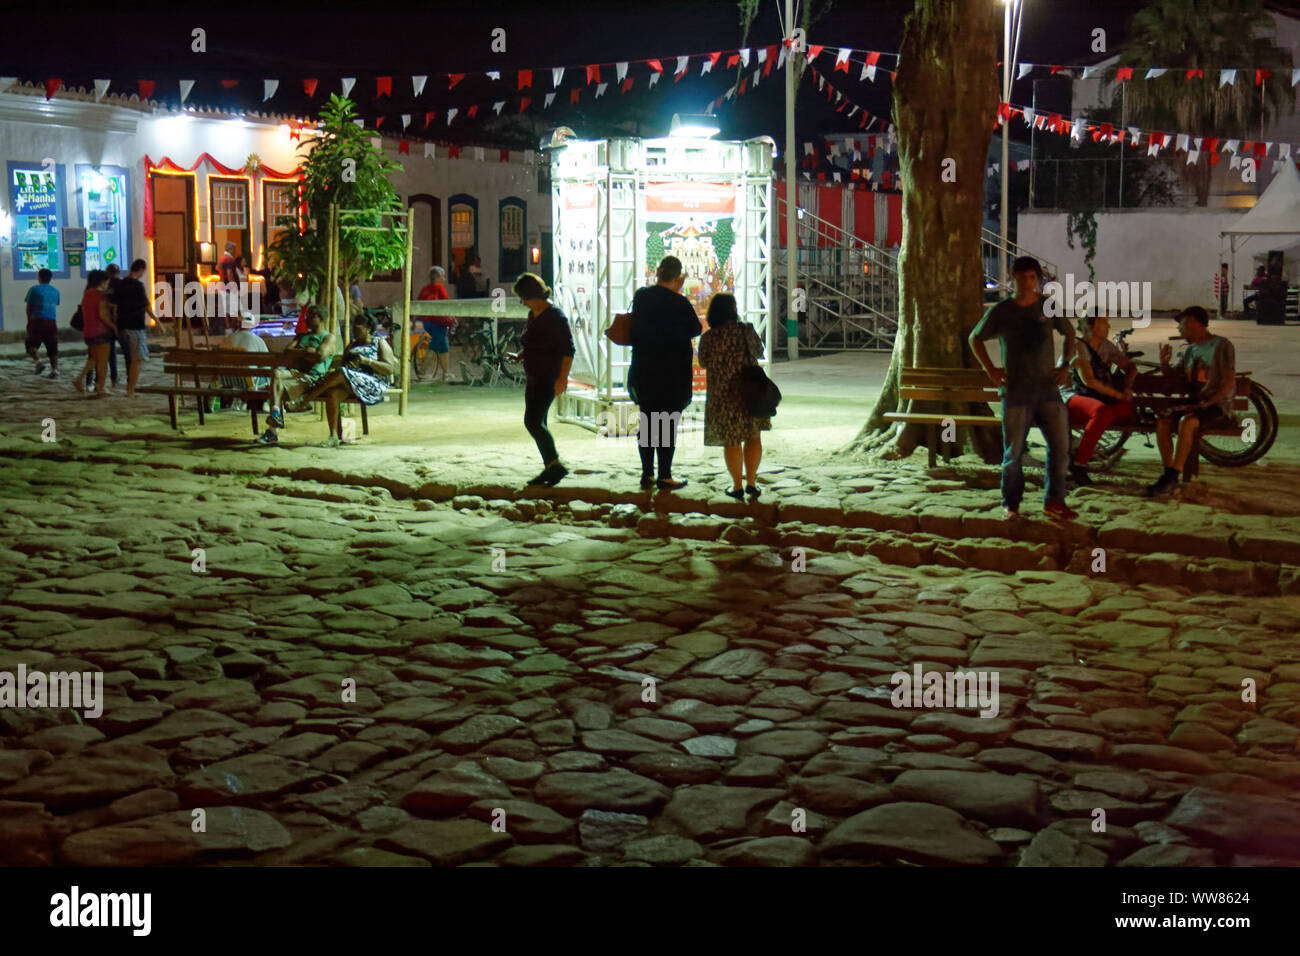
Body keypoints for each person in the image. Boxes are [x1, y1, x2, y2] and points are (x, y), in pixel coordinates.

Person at [970, 256, 1078, 521]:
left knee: (1060, 448)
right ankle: (1011, 502)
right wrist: (991, 370)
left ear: (1037, 279)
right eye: (1021, 279)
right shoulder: (1002, 311)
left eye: (1031, 278)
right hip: (1016, 392)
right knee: (1013, 453)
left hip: (1048, 390)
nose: (1027, 284)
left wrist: (1064, 365)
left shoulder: (1048, 306)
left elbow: (1070, 333)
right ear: (1012, 279)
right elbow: (976, 338)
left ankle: (1054, 500)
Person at [1145, 306, 1236, 498]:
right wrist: (1164, 364)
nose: (1179, 330)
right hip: (1194, 404)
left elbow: (1229, 381)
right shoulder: (1189, 351)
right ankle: (1169, 474)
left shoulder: (1221, 345)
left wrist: (1210, 401)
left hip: (1215, 406)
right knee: (1163, 421)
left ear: (1194, 323)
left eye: (1182, 325)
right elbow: (1174, 376)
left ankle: (1171, 476)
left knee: (1188, 423)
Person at [628, 255, 702, 490]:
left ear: (658, 273)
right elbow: (696, 329)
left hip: (645, 370)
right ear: (679, 278)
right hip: (672, 374)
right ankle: (665, 474)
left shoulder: (641, 297)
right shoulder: (680, 304)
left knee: (648, 422)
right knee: (667, 424)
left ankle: (647, 474)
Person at [697, 292, 769, 500]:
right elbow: (757, 351)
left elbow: (703, 362)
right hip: (750, 392)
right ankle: (752, 483)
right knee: (753, 436)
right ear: (733, 310)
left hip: (724, 396)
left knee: (732, 440)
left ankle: (736, 485)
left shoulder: (709, 338)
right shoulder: (746, 331)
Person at [509, 273, 573, 486]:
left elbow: (567, 350)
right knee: (539, 421)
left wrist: (562, 378)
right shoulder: (534, 314)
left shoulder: (555, 317)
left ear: (535, 295)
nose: (523, 303)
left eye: (525, 298)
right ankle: (550, 466)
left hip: (548, 375)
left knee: (533, 421)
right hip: (534, 375)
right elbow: (534, 342)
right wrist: (521, 355)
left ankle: (554, 465)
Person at [1062, 312, 1137, 485]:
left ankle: (1078, 450)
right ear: (1090, 326)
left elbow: (1129, 366)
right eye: (1103, 321)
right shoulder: (1078, 346)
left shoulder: (1106, 346)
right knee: (1102, 412)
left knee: (1126, 410)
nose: (1108, 326)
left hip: (1095, 397)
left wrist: (1128, 385)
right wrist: (1119, 395)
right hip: (1071, 396)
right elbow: (1090, 382)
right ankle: (1079, 464)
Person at [300, 315, 396, 446]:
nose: (354, 332)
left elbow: (389, 368)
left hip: (373, 384)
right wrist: (350, 365)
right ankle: (333, 437)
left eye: (357, 329)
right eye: (353, 328)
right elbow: (344, 365)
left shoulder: (379, 342)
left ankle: (306, 398)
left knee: (341, 373)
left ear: (368, 328)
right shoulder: (351, 345)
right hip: (351, 382)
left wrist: (367, 361)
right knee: (333, 394)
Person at [255, 307, 340, 445]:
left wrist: (299, 352)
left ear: (320, 318)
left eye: (310, 316)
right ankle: (276, 412)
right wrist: (307, 352)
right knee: (277, 373)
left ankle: (272, 431)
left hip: (312, 378)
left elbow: (320, 356)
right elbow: (287, 352)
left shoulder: (328, 337)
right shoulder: (301, 336)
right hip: (295, 374)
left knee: (277, 387)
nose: (306, 320)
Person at [111, 258, 158, 398]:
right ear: (141, 269)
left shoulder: (120, 284)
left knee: (131, 358)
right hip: (135, 326)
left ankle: (130, 387)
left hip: (122, 325)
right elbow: (146, 306)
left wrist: (115, 323)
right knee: (137, 359)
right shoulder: (138, 285)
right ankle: (131, 389)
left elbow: (114, 306)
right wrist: (158, 322)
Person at [73, 270, 118, 398]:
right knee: (102, 362)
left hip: (88, 331)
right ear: (103, 282)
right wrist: (113, 326)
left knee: (93, 359)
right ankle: (101, 387)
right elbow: (103, 315)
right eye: (107, 282)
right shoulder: (101, 295)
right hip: (101, 332)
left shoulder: (87, 294)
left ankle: (79, 379)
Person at [221, 312, 271, 411]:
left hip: (229, 378)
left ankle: (242, 402)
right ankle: (267, 403)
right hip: (249, 380)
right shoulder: (258, 340)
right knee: (271, 373)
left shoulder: (228, 339)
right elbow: (266, 363)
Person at [416, 265, 455, 382]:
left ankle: (446, 373)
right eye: (443, 276)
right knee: (433, 347)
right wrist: (452, 318)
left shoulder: (425, 289)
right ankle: (422, 371)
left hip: (427, 322)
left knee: (443, 347)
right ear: (437, 277)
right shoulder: (439, 288)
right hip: (438, 322)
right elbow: (446, 305)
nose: (444, 279)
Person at [24, 267, 61, 380]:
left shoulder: (34, 289)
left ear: (39, 277)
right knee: (52, 347)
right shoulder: (56, 291)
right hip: (51, 321)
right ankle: (55, 370)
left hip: (37, 320)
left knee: (30, 345)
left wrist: (29, 321)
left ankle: (39, 362)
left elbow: (29, 307)